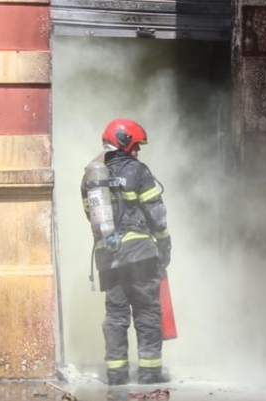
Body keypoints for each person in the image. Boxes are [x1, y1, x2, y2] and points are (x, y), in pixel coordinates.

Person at [81, 118, 172, 386]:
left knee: (116, 315)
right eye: (136, 146)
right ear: (124, 142)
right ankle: (149, 372)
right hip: (141, 255)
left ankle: (117, 374)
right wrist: (164, 244)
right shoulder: (138, 171)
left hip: (108, 257)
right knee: (146, 311)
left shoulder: (91, 176)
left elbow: (91, 216)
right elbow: (156, 212)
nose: (138, 152)